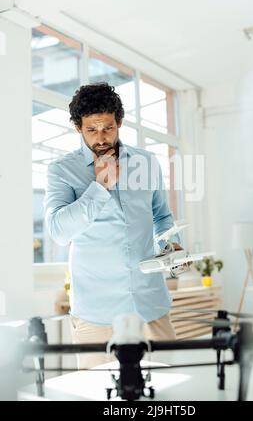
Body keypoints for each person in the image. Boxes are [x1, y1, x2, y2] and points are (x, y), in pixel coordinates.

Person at [44, 83, 182, 368]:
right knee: (97, 394)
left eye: (108, 128)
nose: (101, 138)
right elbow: (58, 231)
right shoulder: (61, 171)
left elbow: (161, 217)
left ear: (120, 122)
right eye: (91, 130)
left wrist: (170, 247)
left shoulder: (146, 162)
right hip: (97, 313)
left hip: (150, 306)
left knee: (168, 384)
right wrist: (100, 188)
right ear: (77, 128)